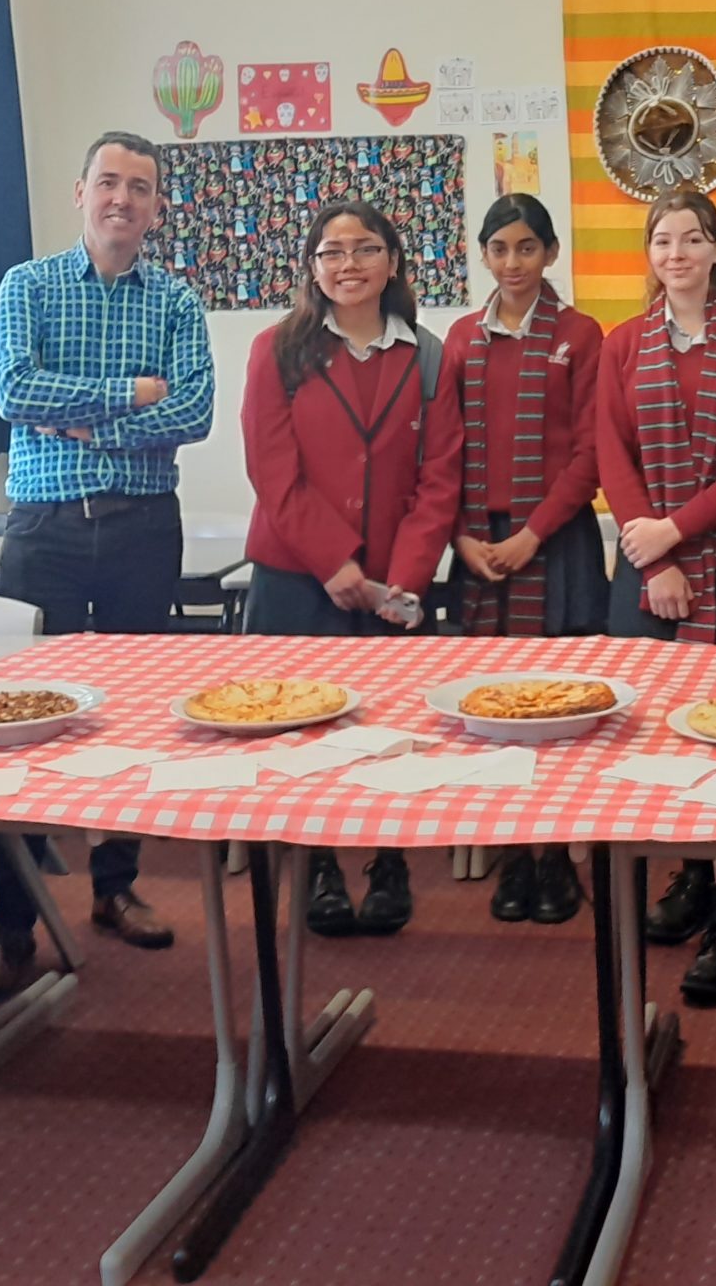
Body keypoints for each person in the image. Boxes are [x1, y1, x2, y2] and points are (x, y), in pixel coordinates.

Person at [0, 132, 214, 1001]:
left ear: (157, 207)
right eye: (108, 182)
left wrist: (81, 421)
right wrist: (128, 395)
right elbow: (13, 392)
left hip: (144, 528)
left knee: (134, 714)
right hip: (44, 529)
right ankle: (12, 923)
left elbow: (194, 412)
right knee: (20, 718)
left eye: (139, 188)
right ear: (80, 191)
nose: (122, 198)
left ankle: (116, 888)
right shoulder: (27, 285)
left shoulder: (178, 299)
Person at [240, 200, 461, 937]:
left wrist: (405, 578)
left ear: (392, 262)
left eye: (365, 249)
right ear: (312, 268)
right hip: (297, 578)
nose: (348, 265)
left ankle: (389, 864)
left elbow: (440, 477)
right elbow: (272, 470)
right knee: (302, 730)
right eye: (331, 252)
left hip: (393, 581)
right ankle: (320, 868)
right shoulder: (278, 350)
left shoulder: (427, 354)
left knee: (391, 728)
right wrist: (333, 562)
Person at [599, 191, 716, 1005]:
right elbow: (610, 452)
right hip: (647, 563)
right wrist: (654, 556)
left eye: (691, 239)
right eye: (662, 240)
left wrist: (675, 531)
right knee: (655, 726)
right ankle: (689, 871)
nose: (675, 253)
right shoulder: (622, 345)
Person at [442, 194, 604, 926]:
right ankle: (513, 855)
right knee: (492, 709)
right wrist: (459, 538)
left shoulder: (580, 334)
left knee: (561, 710)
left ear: (551, 253)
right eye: (499, 248)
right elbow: (442, 451)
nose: (513, 263)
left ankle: (558, 857)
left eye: (527, 248)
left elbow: (590, 452)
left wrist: (533, 534)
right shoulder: (460, 338)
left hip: (555, 542)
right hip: (479, 543)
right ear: (483, 254)